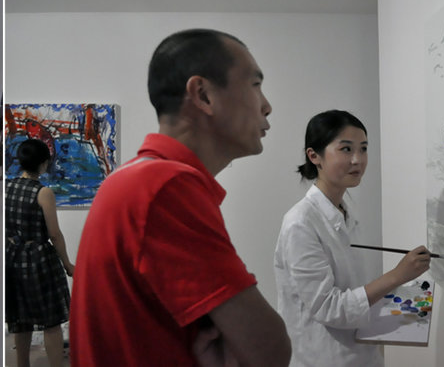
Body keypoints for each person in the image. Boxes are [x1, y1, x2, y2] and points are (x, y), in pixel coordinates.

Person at [69, 28, 291, 366]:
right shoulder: (167, 187)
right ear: (203, 95)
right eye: (255, 84)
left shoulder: (137, 178)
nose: (267, 106)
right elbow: (269, 351)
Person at [275, 110, 431, 367]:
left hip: (359, 353)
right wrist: (398, 275)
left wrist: (407, 305)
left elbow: (352, 290)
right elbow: (328, 307)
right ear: (314, 156)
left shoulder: (344, 210)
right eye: (346, 149)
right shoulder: (300, 223)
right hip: (323, 358)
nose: (358, 160)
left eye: (364, 149)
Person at [6, 138, 75, 367]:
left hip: (12, 257)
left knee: (20, 320)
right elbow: (54, 234)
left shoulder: (8, 186)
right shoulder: (43, 192)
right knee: (51, 321)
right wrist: (67, 264)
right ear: (44, 163)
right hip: (38, 260)